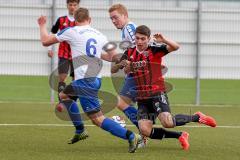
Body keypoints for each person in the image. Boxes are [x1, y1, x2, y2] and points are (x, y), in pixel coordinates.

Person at [38, 7, 141, 153]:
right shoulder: (99, 34)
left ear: (74, 19)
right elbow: (114, 56)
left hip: (84, 82)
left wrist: (42, 25)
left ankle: (131, 136)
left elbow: (45, 41)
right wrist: (124, 61)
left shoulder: (71, 31)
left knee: (97, 119)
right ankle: (80, 131)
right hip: (94, 79)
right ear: (90, 20)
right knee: (64, 96)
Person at [112, 25, 216, 150]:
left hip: (156, 92)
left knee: (168, 122)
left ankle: (197, 117)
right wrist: (120, 65)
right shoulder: (129, 52)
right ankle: (181, 135)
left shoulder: (154, 49)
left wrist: (164, 40)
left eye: (143, 39)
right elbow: (114, 69)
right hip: (142, 97)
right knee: (145, 130)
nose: (139, 41)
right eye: (137, 38)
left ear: (148, 39)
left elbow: (175, 47)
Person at [108, 3, 145, 146]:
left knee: (122, 102)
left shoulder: (129, 28)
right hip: (137, 73)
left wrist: (131, 64)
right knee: (128, 103)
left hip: (139, 74)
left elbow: (141, 47)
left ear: (124, 15)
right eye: (111, 18)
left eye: (115, 17)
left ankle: (143, 133)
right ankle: (143, 132)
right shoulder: (126, 29)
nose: (113, 21)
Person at [48, 0, 80, 97]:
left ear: (78, 6)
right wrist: (49, 48)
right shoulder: (61, 20)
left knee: (76, 78)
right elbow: (52, 33)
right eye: (70, 5)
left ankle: (72, 100)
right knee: (62, 77)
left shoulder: (80, 20)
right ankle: (61, 100)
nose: (72, 7)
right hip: (63, 53)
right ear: (67, 5)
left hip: (77, 53)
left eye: (75, 5)